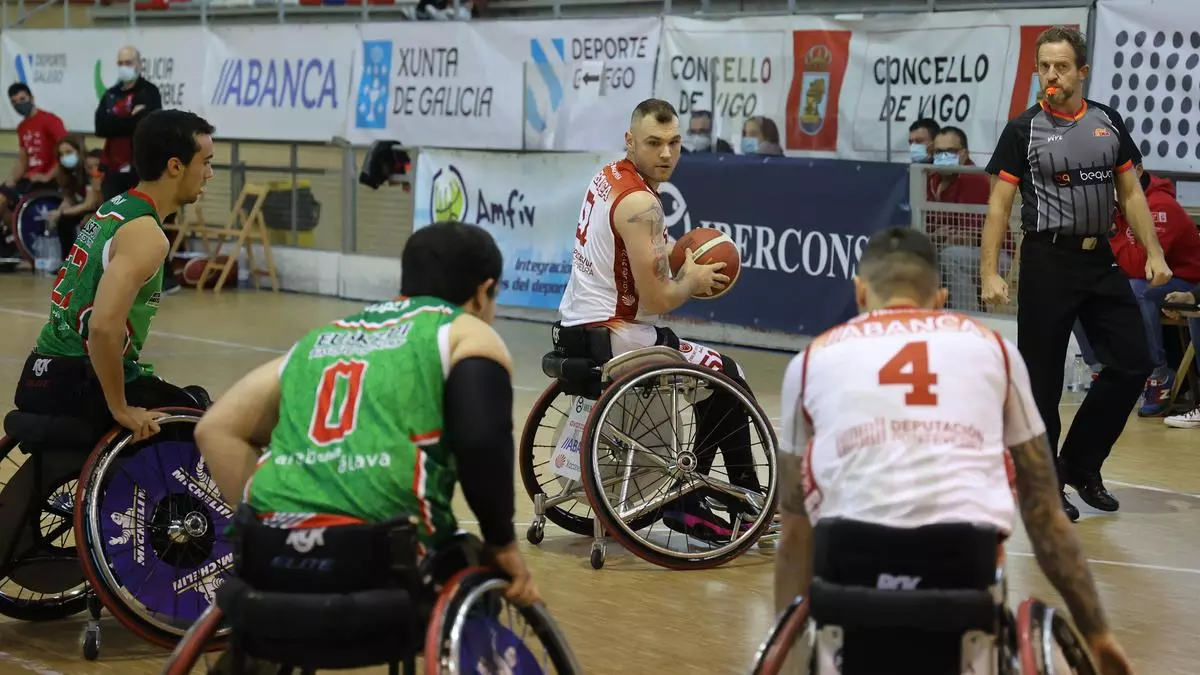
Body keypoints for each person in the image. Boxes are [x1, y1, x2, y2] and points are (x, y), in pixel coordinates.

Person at [775, 226, 1136, 675]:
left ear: (860, 292)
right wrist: (1098, 635)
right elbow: (1044, 515)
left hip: (848, 570)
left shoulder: (811, 360)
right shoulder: (993, 349)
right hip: (963, 568)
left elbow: (793, 531)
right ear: (940, 299)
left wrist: (785, 644)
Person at [193, 221, 540, 611]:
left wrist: (275, 521)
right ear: (481, 292)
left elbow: (214, 429)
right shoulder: (462, 331)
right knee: (481, 585)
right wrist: (502, 543)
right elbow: (481, 440)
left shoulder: (318, 340)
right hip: (381, 552)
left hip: (269, 549)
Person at [979, 25, 1170, 522]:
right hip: (1047, 262)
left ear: (1082, 71)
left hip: (1099, 259)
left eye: (1062, 67)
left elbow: (1131, 193)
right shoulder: (1023, 130)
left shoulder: (1107, 121)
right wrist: (990, 272)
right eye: (1044, 66)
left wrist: (1153, 253)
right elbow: (998, 206)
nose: (1052, 75)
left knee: (1134, 363)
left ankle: (1080, 466)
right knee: (1042, 382)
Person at [557, 97, 763, 541]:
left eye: (674, 143)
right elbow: (659, 297)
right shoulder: (642, 205)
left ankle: (705, 494)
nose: (666, 154)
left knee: (711, 375)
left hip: (578, 326)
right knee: (728, 375)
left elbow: (636, 256)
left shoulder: (609, 176)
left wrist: (679, 256)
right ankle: (714, 498)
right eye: (654, 143)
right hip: (616, 334)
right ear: (630, 141)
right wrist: (690, 279)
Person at [12, 109, 215, 441]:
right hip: (80, 379)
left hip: (40, 370)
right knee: (208, 419)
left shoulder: (114, 207)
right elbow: (103, 327)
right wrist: (120, 408)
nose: (209, 173)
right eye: (205, 162)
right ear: (175, 166)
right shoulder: (146, 234)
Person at [1073, 164, 1200, 416]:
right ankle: (1103, 371)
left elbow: (1140, 267)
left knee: (1138, 289)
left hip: (1187, 282)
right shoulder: (1118, 205)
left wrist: (1112, 233)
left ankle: (1159, 374)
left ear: (1138, 171)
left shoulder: (1160, 206)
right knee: (1077, 291)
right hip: (1153, 279)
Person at [923, 125, 1013, 312]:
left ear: (963, 154)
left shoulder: (974, 179)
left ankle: (968, 316)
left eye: (950, 151)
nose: (943, 156)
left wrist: (945, 238)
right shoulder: (931, 179)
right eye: (938, 152)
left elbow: (971, 236)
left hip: (995, 254)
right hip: (950, 247)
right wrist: (935, 238)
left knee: (952, 256)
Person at [1, 82, 68, 219]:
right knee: (5, 205)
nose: (19, 104)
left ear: (32, 98)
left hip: (48, 180)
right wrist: (13, 179)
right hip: (29, 179)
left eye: (22, 99)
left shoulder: (50, 120)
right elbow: (23, 160)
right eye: (14, 102)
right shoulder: (21, 127)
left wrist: (47, 176)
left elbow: (67, 152)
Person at [47, 135, 103, 261]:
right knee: (63, 222)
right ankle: (66, 262)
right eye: (61, 154)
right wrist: (59, 211)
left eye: (68, 152)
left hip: (99, 206)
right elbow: (69, 198)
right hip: (85, 207)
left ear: (78, 151)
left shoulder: (88, 168)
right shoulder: (67, 173)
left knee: (85, 222)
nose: (65, 157)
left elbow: (90, 204)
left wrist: (61, 212)